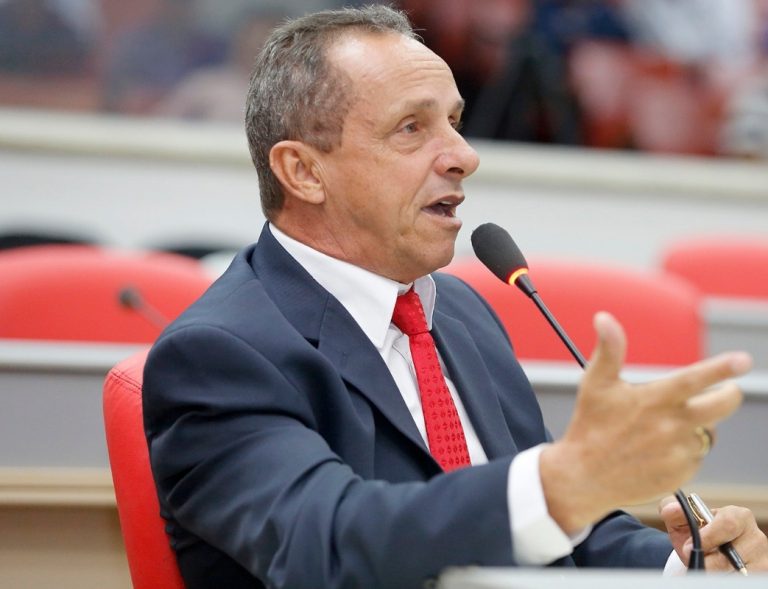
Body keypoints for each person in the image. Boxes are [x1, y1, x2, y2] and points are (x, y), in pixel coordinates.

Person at [142, 6, 768, 588]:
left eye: (455, 123)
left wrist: (684, 566)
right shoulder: (218, 356)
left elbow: (559, 530)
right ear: (304, 172)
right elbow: (327, 543)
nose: (464, 156)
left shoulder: (460, 312)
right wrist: (558, 485)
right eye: (412, 128)